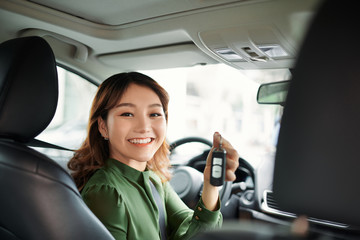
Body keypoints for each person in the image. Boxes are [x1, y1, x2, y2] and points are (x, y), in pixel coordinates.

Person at [68, 72, 239, 240]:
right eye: (127, 114)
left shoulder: (153, 179)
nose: (144, 127)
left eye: (154, 114)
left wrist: (210, 185)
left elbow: (196, 234)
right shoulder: (106, 192)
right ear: (103, 126)